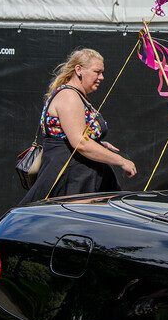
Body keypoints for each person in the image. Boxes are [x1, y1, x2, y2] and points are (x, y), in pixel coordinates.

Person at [20, 49, 136, 204]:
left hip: (80, 177)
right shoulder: (69, 96)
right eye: (97, 72)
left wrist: (100, 145)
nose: (101, 77)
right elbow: (80, 143)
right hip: (70, 178)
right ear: (79, 70)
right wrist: (121, 161)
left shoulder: (76, 95)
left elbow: (76, 137)